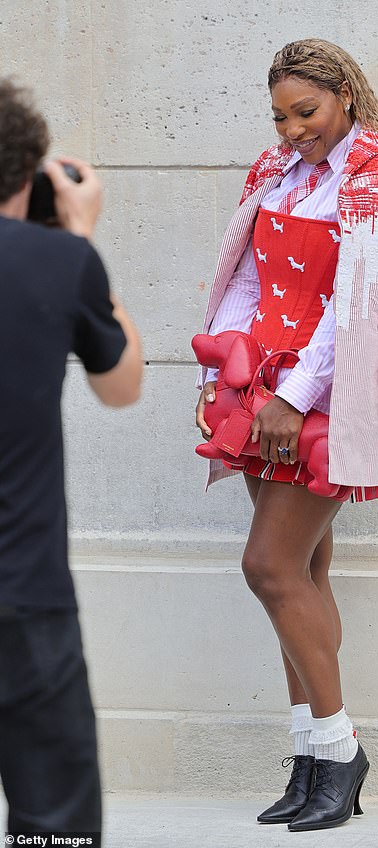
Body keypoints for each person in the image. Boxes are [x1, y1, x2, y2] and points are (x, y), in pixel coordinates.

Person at [195, 39, 378, 831]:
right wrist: (229, 375)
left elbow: (376, 301)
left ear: (344, 94)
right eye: (278, 115)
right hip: (260, 382)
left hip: (330, 391)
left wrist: (298, 396)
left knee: (268, 566)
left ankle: (341, 751)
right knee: (302, 571)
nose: (291, 129)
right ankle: (311, 754)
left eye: (305, 112)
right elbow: (246, 276)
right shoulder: (275, 171)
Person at [0, 79, 143, 843]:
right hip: (22, 591)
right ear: (27, 175)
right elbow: (122, 386)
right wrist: (80, 242)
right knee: (51, 822)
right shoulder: (60, 262)